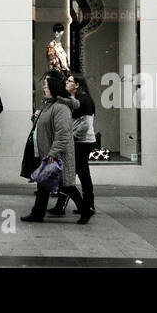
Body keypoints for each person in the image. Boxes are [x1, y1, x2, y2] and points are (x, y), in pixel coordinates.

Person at [20, 71, 83, 223]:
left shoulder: (60, 108)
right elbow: (44, 126)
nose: (44, 89)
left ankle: (85, 210)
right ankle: (37, 214)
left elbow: (63, 134)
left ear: (54, 89)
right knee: (43, 184)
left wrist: (53, 154)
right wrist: (35, 117)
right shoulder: (49, 105)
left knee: (66, 186)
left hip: (56, 155)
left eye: (46, 86)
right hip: (47, 152)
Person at [50, 73, 96, 222]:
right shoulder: (74, 100)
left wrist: (71, 136)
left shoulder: (84, 100)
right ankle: (70, 205)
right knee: (72, 173)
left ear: (77, 85)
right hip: (77, 141)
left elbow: (85, 124)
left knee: (78, 173)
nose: (67, 83)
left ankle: (87, 205)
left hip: (82, 142)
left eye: (70, 81)